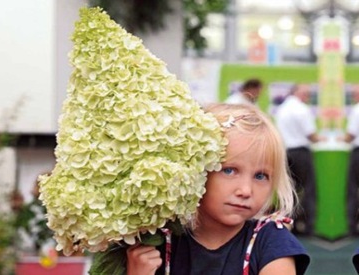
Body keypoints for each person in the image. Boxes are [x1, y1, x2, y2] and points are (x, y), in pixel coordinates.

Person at [124, 104, 310, 275]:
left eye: (260, 176)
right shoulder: (154, 241)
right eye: (229, 171)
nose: (246, 190)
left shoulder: (272, 243)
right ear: (195, 169)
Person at [275, 84, 324, 236]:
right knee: (309, 189)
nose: (307, 96)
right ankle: (308, 227)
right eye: (305, 93)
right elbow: (311, 135)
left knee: (289, 191)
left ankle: (287, 225)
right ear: (296, 92)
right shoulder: (302, 109)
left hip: (285, 153)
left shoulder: (281, 109)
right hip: (301, 153)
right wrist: (323, 139)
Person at [337, 84, 359, 236]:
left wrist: (340, 139)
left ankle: (352, 227)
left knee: (352, 190)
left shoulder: (357, 110)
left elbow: (350, 135)